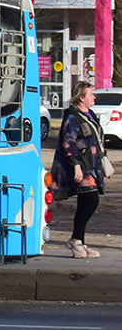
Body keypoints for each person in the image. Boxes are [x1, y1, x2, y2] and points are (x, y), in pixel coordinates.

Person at [52, 80, 106, 258]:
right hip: (82, 166)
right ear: (81, 97)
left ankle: (78, 241)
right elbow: (69, 142)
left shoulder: (89, 114)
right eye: (91, 94)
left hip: (92, 164)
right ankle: (75, 240)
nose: (94, 97)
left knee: (87, 202)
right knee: (91, 200)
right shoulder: (72, 117)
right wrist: (75, 165)